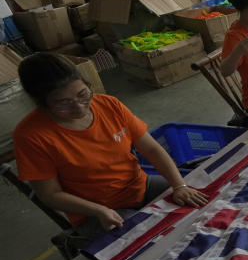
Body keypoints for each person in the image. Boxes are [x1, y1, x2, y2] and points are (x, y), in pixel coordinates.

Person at [13, 53, 208, 246]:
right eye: (63, 103)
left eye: (82, 94)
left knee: (202, 204)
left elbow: (152, 150)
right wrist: (98, 210)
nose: (79, 108)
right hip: (95, 211)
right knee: (155, 242)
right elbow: (50, 194)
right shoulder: (31, 135)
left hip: (140, 186)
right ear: (41, 103)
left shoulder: (108, 105)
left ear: (87, 84)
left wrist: (179, 185)